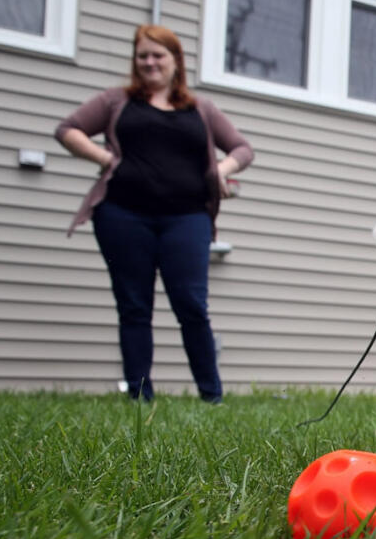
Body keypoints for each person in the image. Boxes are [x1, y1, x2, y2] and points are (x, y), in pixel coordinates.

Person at [55, 24, 253, 403]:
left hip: (187, 218)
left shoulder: (200, 109)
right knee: (134, 306)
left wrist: (220, 170)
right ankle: (139, 396)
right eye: (142, 55)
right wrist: (105, 157)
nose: (149, 62)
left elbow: (242, 149)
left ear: (175, 61)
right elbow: (68, 129)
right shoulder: (116, 102)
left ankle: (212, 397)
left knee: (192, 305)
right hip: (122, 216)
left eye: (158, 55)